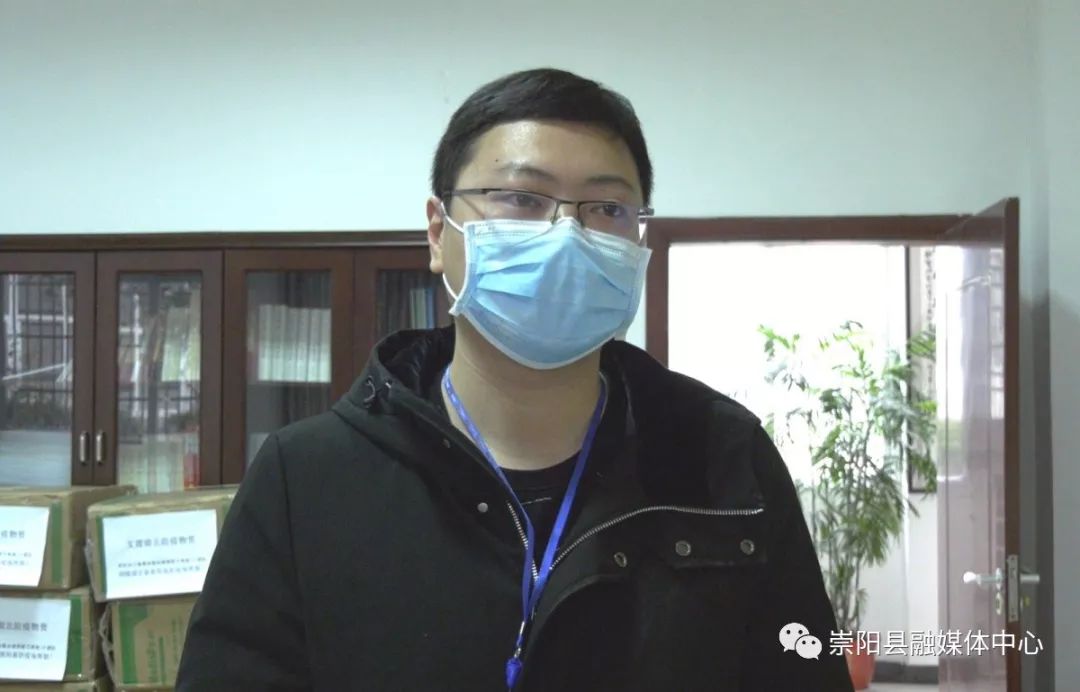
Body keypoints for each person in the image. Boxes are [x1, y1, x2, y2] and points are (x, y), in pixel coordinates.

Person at [176, 68, 853, 692]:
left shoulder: (722, 458)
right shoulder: (305, 477)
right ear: (438, 232)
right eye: (522, 199)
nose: (567, 236)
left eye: (606, 209)